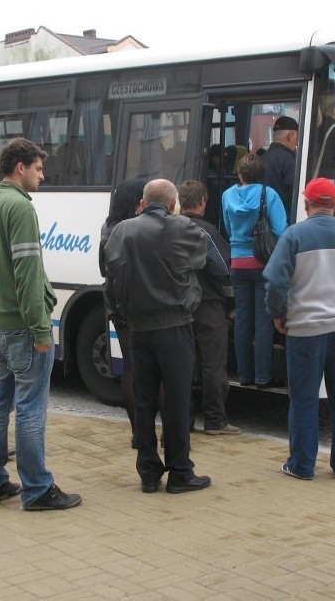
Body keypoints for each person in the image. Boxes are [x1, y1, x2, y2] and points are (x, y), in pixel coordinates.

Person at [0, 138, 81, 510]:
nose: (43, 176)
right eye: (38, 169)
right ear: (20, 167)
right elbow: (27, 273)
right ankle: (38, 488)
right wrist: (42, 330)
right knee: (29, 407)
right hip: (24, 327)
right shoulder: (20, 208)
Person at [104, 179, 220, 494]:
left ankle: (148, 472)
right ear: (172, 204)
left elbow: (109, 271)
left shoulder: (122, 230)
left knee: (143, 401)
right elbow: (207, 263)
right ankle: (180, 472)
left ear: (144, 201)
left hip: (138, 328)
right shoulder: (183, 227)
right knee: (178, 399)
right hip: (175, 324)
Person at [264, 177, 335, 482]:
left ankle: (302, 465)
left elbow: (276, 282)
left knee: (303, 399)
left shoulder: (294, 236)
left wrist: (277, 314)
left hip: (304, 330)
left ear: (307, 204)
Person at [99, 178, 165, 448]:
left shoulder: (108, 226)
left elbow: (104, 268)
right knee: (158, 367)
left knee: (129, 366)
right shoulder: (138, 228)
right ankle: (166, 433)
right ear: (139, 202)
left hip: (116, 302)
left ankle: (138, 432)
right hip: (143, 303)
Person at [177, 180, 240, 435]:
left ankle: (186, 419)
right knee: (212, 362)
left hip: (178, 305)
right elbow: (223, 269)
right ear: (203, 201)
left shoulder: (170, 228)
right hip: (207, 304)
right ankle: (215, 419)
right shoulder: (206, 231)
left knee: (185, 363)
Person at [221, 154, 287, 389]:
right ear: (262, 174)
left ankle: (244, 375)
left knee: (242, 320)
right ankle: (262, 377)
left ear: (240, 174)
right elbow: (281, 230)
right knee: (263, 321)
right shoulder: (269, 195)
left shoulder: (227, 195)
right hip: (262, 264)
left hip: (237, 264)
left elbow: (228, 227)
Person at [261, 115, 299, 219]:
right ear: (291, 135)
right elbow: (295, 194)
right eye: (297, 136)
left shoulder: (261, 158)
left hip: (264, 222)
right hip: (284, 220)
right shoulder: (289, 159)